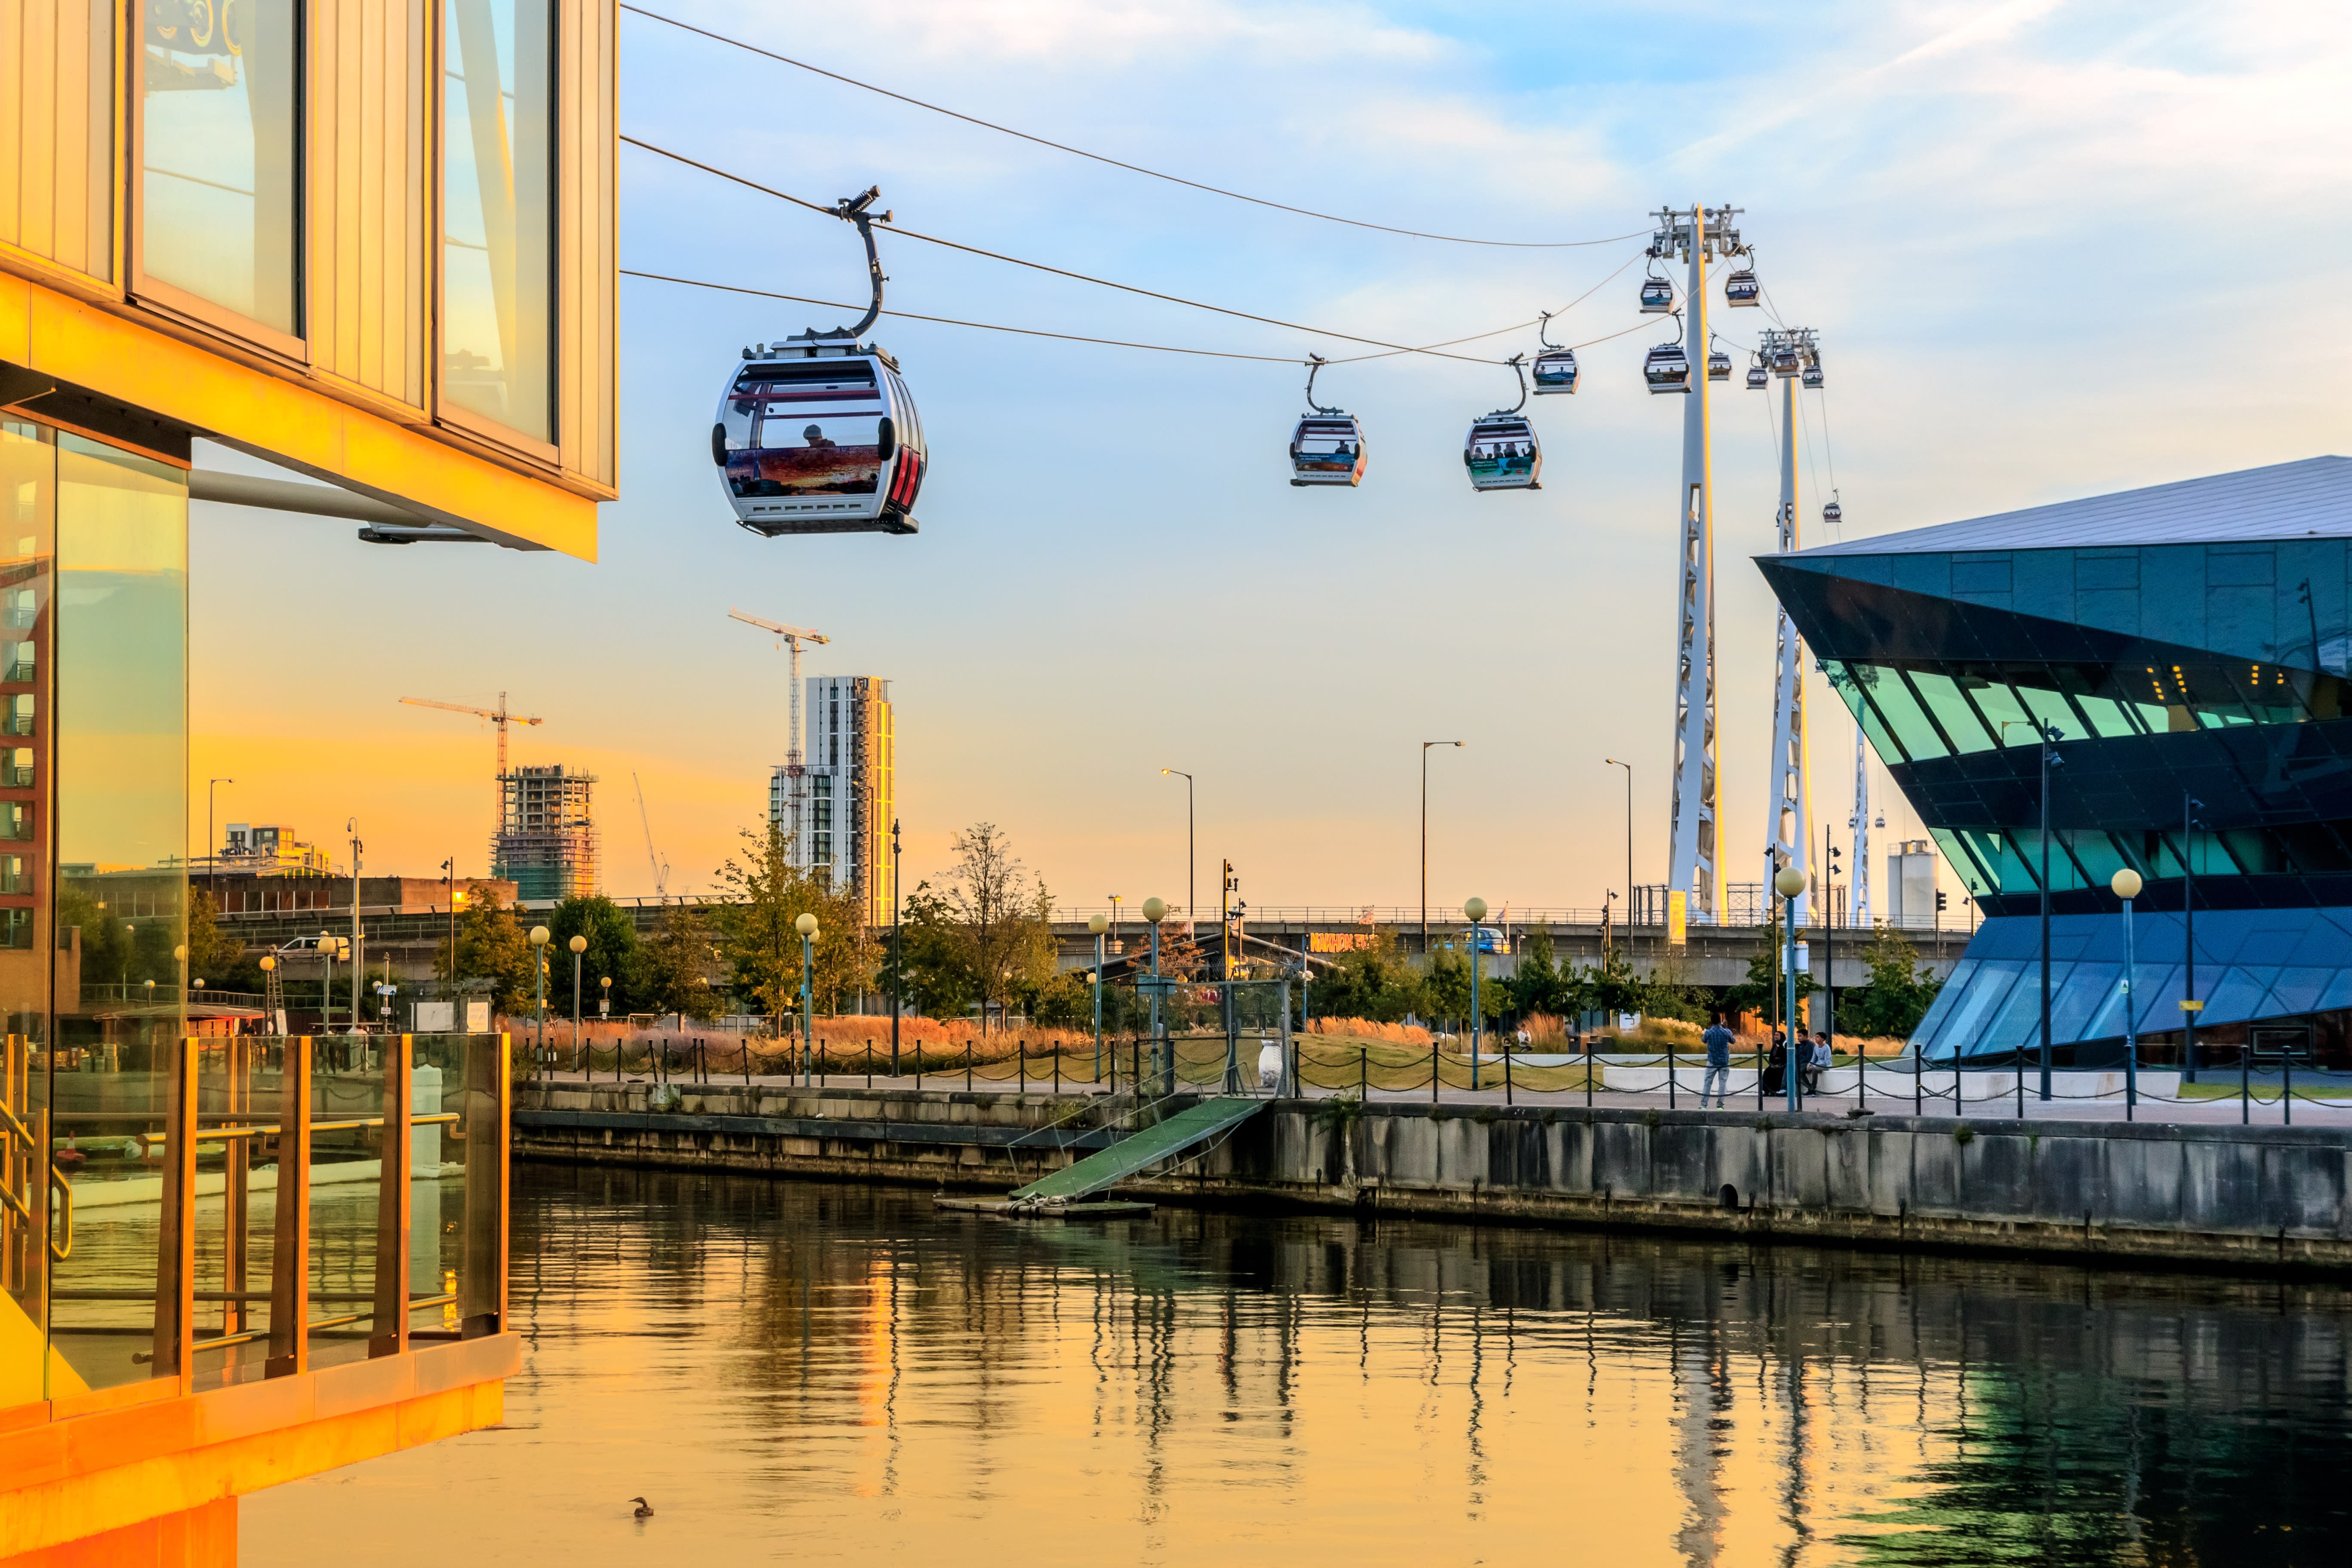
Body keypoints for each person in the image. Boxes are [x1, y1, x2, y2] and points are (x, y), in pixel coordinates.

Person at [1700, 1015, 1735, 1108]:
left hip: (1712, 1061)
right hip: (1724, 1062)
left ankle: (1704, 1105)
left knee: (1708, 1083)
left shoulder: (1709, 1033)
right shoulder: (1726, 1032)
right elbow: (1733, 1041)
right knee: (1723, 1083)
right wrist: (1726, 1028)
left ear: (1711, 1021)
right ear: (1720, 1021)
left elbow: (1703, 1040)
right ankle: (1720, 1105)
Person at [1761, 1031, 1788, 1097]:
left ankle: (1777, 1090)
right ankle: (1767, 1091)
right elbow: (1771, 1057)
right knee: (1767, 1072)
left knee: (1778, 1074)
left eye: (1778, 1035)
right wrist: (1772, 1065)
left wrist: (1779, 1065)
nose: (1776, 1036)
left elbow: (1786, 1057)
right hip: (1774, 1066)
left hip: (1782, 1065)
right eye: (1775, 1035)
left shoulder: (1785, 1045)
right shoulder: (1775, 1045)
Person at [1807, 1030, 1834, 1095]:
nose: (1816, 1039)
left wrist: (1814, 1067)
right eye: (1815, 1037)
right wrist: (1810, 1064)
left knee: (1815, 1070)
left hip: (1825, 1066)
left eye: (1818, 1037)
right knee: (1806, 1070)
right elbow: (1814, 1058)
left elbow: (1826, 1061)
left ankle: (1813, 1089)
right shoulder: (1816, 1047)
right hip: (1818, 1064)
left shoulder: (1827, 1048)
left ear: (1822, 1039)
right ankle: (1809, 1088)